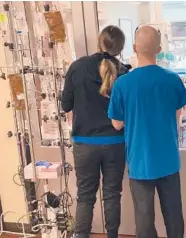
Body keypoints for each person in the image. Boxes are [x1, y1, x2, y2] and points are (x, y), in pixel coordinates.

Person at [108, 24, 186, 238]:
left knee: (143, 219)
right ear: (160, 49)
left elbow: (116, 123)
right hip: (169, 159)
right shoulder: (172, 80)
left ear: (134, 48)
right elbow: (177, 115)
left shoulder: (122, 84)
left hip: (140, 161)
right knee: (173, 215)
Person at [61, 25, 131, 238]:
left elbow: (66, 105)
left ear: (99, 41)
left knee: (85, 196)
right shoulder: (124, 73)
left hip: (85, 143)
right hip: (115, 143)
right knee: (112, 195)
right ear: (121, 47)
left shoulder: (77, 67)